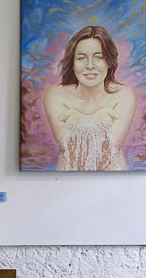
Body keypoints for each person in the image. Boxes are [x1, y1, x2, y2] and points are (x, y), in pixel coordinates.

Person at [43, 25, 137, 171]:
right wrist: (100, 120)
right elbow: (70, 149)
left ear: (109, 62)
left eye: (99, 57)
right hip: (66, 182)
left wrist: (79, 120)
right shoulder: (55, 96)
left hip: (114, 182)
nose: (90, 66)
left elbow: (107, 151)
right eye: (81, 58)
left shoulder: (124, 95)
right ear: (72, 63)